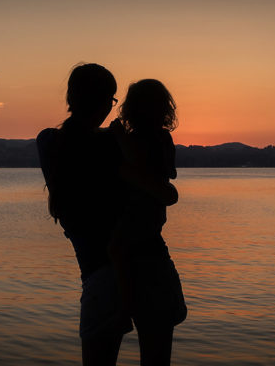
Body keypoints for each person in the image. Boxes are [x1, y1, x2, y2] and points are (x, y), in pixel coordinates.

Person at [36, 64, 178, 366]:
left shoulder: (49, 142)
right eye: (112, 99)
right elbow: (165, 192)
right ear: (104, 102)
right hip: (153, 266)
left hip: (99, 275)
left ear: (71, 98)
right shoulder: (116, 146)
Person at [109, 79, 187, 366]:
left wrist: (119, 139)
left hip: (142, 223)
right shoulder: (158, 138)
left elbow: (146, 170)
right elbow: (167, 180)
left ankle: (124, 310)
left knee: (118, 248)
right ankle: (125, 309)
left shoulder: (146, 139)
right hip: (148, 228)